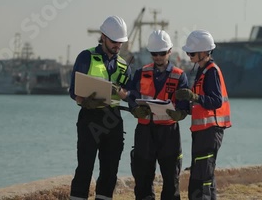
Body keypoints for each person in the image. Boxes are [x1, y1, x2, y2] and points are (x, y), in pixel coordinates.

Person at [69, 15, 132, 200]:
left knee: (110, 170)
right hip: (90, 118)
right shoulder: (86, 57)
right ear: (103, 37)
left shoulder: (124, 66)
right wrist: (84, 100)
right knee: (85, 168)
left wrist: (125, 95)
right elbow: (73, 90)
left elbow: (131, 96)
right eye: (114, 41)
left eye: (120, 42)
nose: (117, 46)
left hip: (113, 119)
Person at [126, 30, 190, 200]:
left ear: (169, 51)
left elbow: (184, 105)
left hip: (169, 133)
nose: (158, 57)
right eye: (154, 54)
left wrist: (180, 114)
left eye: (161, 53)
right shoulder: (140, 73)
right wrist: (134, 109)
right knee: (143, 179)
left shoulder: (179, 76)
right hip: (145, 132)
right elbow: (132, 97)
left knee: (171, 180)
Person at [174, 29, 231, 200]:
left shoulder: (211, 71)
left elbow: (216, 101)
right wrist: (184, 110)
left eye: (192, 53)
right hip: (202, 130)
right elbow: (201, 104)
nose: (189, 56)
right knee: (203, 174)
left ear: (204, 52)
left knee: (202, 176)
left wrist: (195, 97)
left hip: (210, 131)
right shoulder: (202, 71)